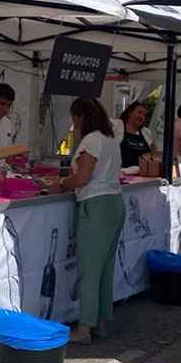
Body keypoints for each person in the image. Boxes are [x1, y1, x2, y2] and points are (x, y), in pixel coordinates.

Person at [50, 97, 123, 344]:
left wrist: (60, 184)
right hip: (114, 203)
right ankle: (101, 322)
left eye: (73, 118)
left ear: (80, 116)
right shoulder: (110, 138)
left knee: (89, 269)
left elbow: (82, 178)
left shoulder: (91, 140)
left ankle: (84, 329)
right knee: (105, 268)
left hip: (96, 205)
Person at [114, 102, 155, 168]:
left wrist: (150, 156)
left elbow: (153, 155)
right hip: (120, 174)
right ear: (129, 112)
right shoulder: (117, 125)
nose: (142, 116)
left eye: (144, 115)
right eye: (139, 113)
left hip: (142, 175)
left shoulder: (146, 132)